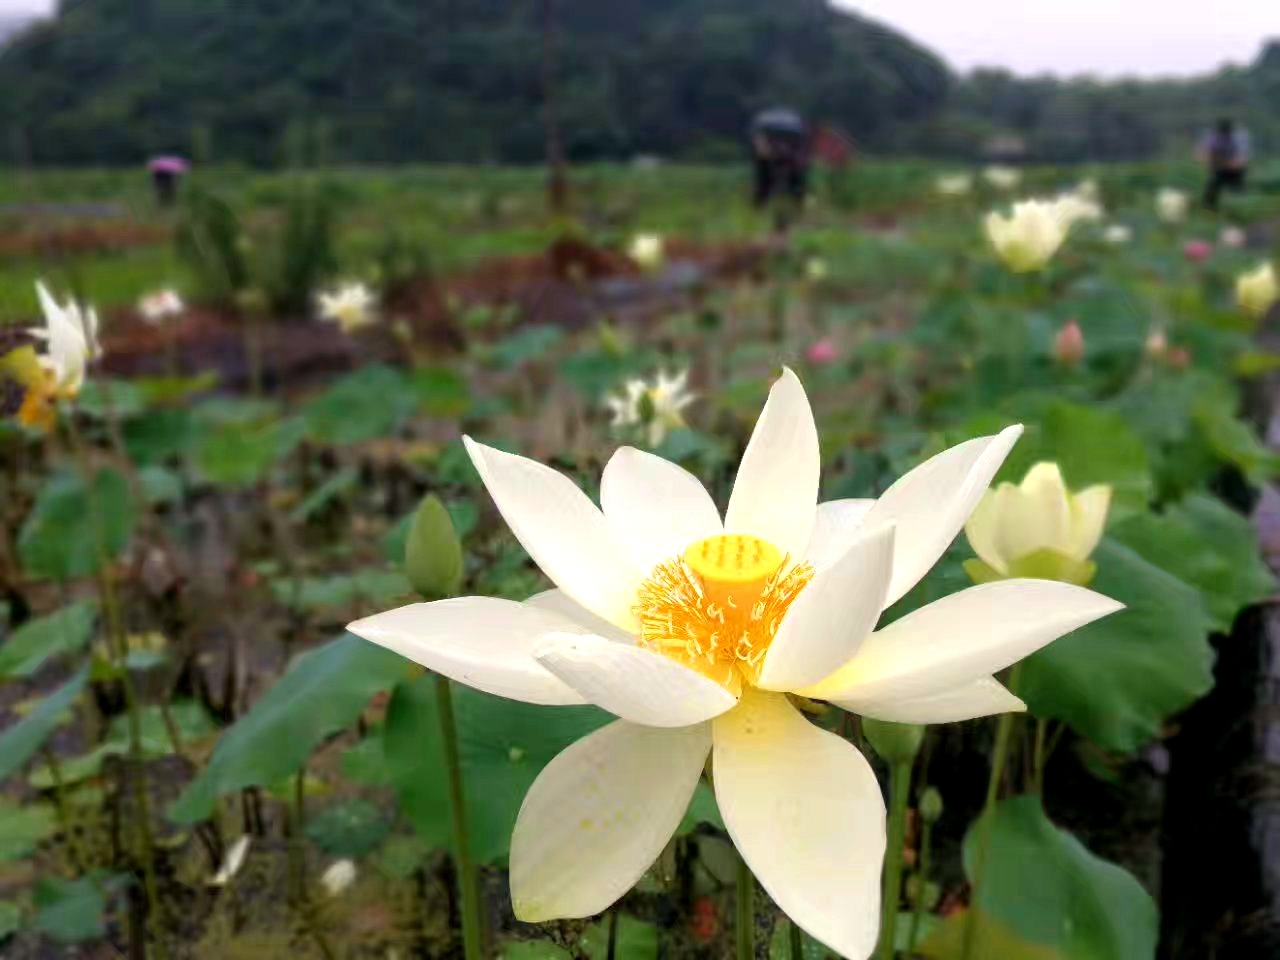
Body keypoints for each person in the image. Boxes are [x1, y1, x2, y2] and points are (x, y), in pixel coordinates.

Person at [750, 107, 811, 212]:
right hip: (771, 163)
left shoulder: (767, 131)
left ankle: (759, 208)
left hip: (785, 164)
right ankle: (759, 208)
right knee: (764, 184)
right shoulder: (791, 131)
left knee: (794, 185)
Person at [1199, 118, 1250, 211]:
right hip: (1219, 168)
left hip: (1233, 169)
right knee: (1214, 185)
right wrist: (1211, 162)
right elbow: (1204, 154)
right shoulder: (1214, 140)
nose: (1224, 135)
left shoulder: (1235, 139)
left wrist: (1234, 164)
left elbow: (1242, 158)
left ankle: (1241, 206)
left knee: (1238, 187)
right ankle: (1209, 207)